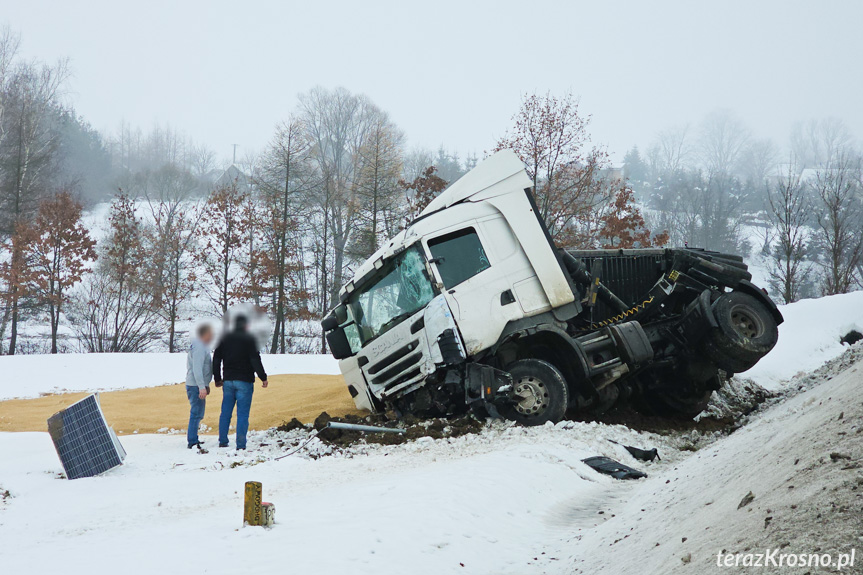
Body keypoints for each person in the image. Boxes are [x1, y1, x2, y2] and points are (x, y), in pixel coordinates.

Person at [213, 315, 268, 450]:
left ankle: (223, 441)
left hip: (228, 381)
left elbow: (216, 358)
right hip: (244, 381)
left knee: (225, 412)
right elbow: (255, 360)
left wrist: (217, 378)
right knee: (242, 414)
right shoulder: (249, 339)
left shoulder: (224, 338)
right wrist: (263, 377)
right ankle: (241, 444)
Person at [186, 324, 214, 450]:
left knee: (198, 412)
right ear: (205, 334)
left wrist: (206, 384)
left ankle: (194, 438)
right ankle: (192, 440)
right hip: (195, 385)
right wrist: (201, 386)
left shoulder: (201, 346)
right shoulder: (199, 347)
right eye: (211, 334)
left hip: (197, 384)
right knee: (196, 412)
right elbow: (198, 368)